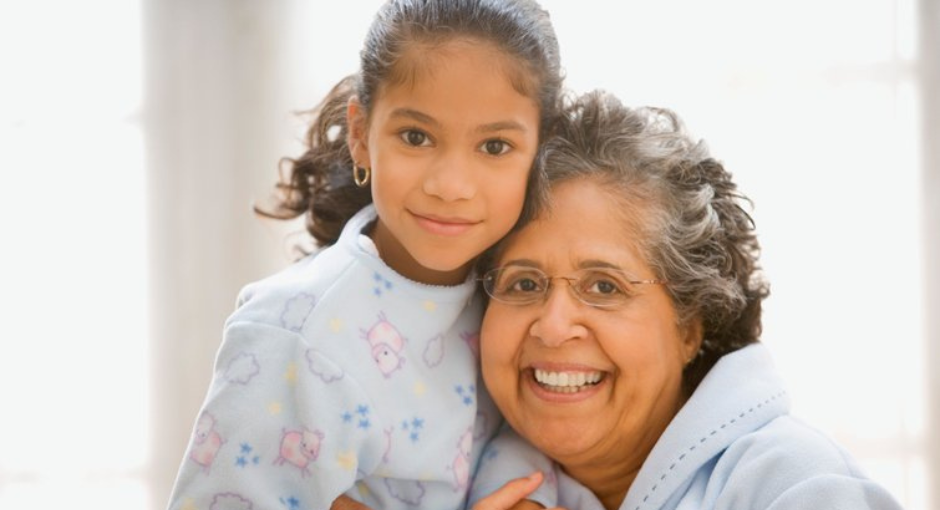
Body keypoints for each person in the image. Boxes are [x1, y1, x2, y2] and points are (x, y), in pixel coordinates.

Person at [165, 1, 566, 509]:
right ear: (361, 135)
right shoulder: (291, 337)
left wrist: (524, 494)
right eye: (416, 137)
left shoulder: (521, 293)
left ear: (541, 151)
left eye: (494, 147)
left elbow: (520, 431)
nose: (451, 186)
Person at [473, 90, 906, 510]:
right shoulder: (452, 474)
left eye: (604, 286)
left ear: (690, 325)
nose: (552, 325)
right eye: (524, 284)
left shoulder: (800, 489)